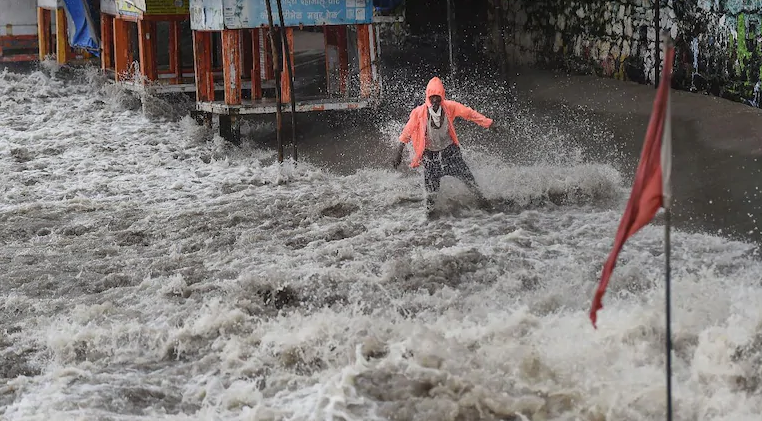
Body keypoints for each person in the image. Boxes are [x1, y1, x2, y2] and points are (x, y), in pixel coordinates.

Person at [393, 76, 503, 218]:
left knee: (469, 181)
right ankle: (429, 224)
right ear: (427, 97)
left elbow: (469, 114)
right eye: (432, 97)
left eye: (438, 98)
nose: (435, 101)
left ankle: (486, 207)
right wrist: (398, 154)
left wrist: (489, 124)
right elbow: (406, 133)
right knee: (431, 198)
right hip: (430, 156)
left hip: (450, 152)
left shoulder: (450, 107)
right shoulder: (419, 113)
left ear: (442, 97)